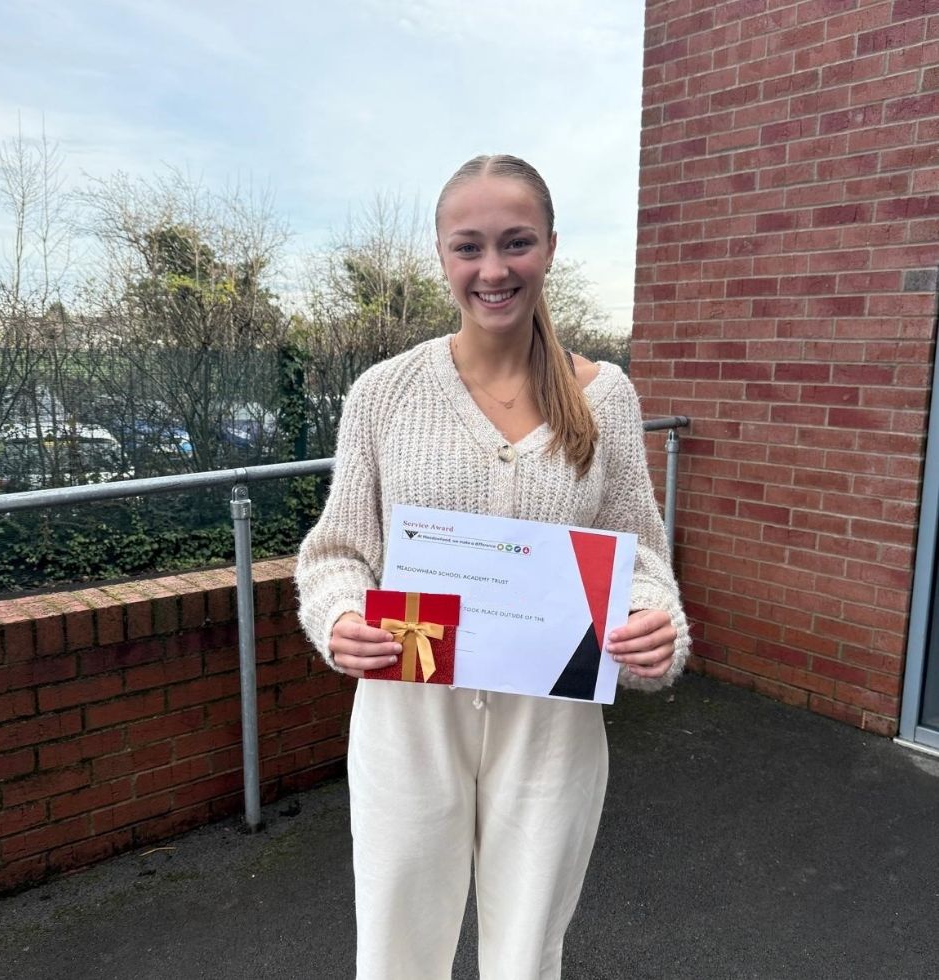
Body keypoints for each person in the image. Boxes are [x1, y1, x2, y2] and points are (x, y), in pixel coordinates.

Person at [295, 154, 690, 980]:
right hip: (410, 712)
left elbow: (640, 550)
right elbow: (336, 550)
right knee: (397, 945)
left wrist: (656, 623)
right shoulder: (383, 393)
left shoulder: (604, 396)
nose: (493, 268)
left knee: (526, 955)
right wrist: (339, 618)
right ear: (442, 257)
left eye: (515, 242)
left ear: (548, 247)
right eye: (468, 246)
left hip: (551, 727)